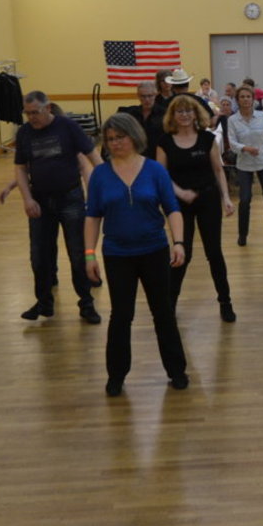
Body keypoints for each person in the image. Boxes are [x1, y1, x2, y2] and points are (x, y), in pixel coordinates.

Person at [85, 114, 190, 394]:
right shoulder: (100, 175)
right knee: (121, 315)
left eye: (120, 137)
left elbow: (172, 209)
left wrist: (179, 242)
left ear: (134, 136)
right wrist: (89, 254)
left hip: (154, 250)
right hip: (117, 253)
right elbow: (92, 216)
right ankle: (116, 376)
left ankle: (177, 370)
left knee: (163, 312)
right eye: (110, 139)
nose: (115, 143)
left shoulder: (154, 170)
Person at [13, 90, 103, 324]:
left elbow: (92, 156)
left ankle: (86, 303)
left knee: (77, 253)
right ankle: (44, 302)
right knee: (39, 255)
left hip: (70, 198)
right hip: (40, 201)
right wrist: (27, 199)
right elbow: (20, 168)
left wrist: (105, 184)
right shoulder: (24, 133)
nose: (31, 118)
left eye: (35, 112)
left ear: (48, 108)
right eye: (27, 113)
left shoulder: (68, 127)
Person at [155, 94, 237, 322]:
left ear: (195, 114)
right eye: (179, 111)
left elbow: (218, 170)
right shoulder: (165, 141)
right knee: (183, 252)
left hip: (207, 199)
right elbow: (161, 175)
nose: (184, 115)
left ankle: (225, 302)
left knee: (214, 252)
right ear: (173, 115)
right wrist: (180, 192)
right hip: (179, 204)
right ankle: (169, 304)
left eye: (188, 111)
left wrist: (226, 198)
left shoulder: (207, 138)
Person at [227, 85, 263, 246]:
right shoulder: (232, 120)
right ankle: (242, 235)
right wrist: (245, 148)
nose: (245, 99)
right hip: (244, 164)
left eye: (248, 96)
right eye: (242, 97)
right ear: (237, 100)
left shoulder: (262, 116)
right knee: (244, 200)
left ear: (253, 99)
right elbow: (232, 142)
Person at [119, 80, 165, 160]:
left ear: (156, 95)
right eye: (143, 96)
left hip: (157, 156)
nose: (147, 99)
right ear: (138, 96)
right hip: (135, 156)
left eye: (150, 96)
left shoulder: (164, 114)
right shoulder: (131, 114)